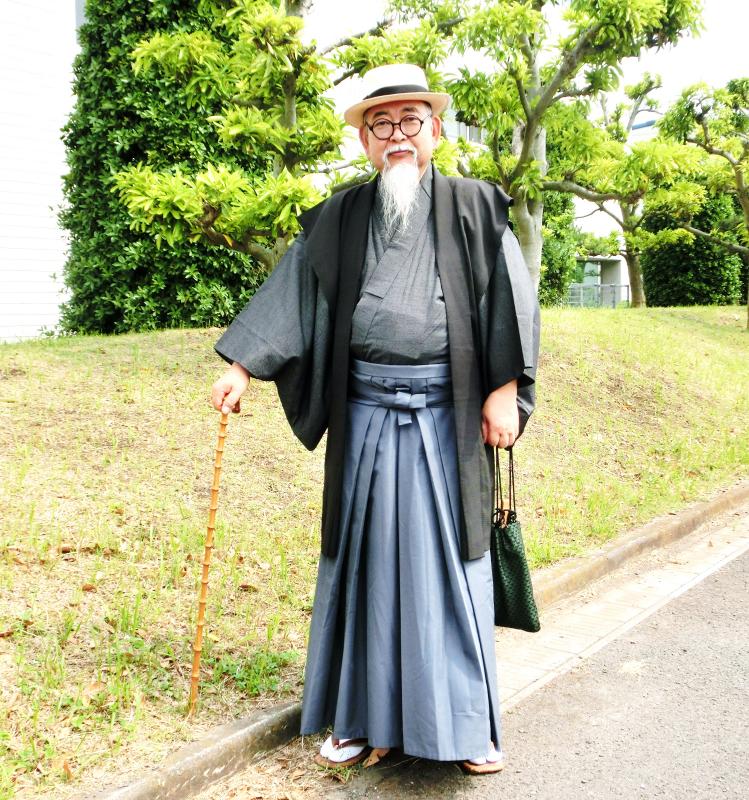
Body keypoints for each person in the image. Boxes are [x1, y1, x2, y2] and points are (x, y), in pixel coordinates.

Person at [210, 63, 540, 775]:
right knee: (365, 564)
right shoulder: (340, 216)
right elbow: (293, 292)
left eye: (409, 121)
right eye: (380, 124)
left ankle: (464, 728)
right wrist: (241, 366)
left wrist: (504, 390)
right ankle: (364, 720)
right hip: (363, 417)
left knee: (451, 569)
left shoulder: (476, 207)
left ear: (435, 130)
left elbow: (508, 304)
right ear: (363, 140)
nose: (396, 136)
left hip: (447, 418)